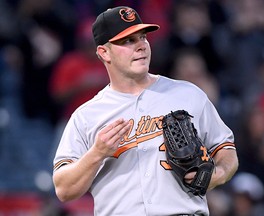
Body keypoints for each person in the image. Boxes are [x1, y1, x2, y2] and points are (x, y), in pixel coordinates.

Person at [52, 6, 238, 216]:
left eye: (143, 37)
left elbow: (225, 148)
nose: (140, 46)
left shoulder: (187, 94)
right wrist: (96, 154)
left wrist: (218, 173)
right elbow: (64, 189)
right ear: (104, 52)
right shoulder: (87, 115)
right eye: (128, 41)